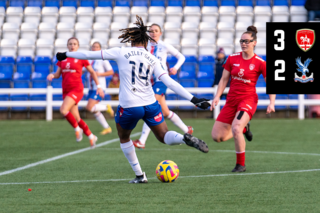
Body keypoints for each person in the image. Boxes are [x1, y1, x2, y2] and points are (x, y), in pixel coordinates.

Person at [56, 16, 211, 183]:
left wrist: (66, 54)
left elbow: (89, 54)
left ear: (131, 40)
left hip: (129, 106)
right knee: (163, 134)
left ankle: (140, 175)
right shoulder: (153, 58)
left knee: (124, 138)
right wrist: (194, 99)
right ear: (146, 42)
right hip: (151, 103)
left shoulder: (120, 52)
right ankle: (184, 138)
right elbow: (169, 82)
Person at [210, 26, 276, 172]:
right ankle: (245, 128)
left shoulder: (260, 62)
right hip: (231, 101)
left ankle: (241, 165)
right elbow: (223, 79)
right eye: (242, 41)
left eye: (247, 41)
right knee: (217, 137)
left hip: (248, 100)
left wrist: (272, 102)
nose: (244, 43)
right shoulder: (232, 58)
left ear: (254, 42)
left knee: (235, 128)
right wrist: (217, 96)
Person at [132, 23, 193, 149]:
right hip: (149, 81)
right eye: (151, 31)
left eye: (156, 30)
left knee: (150, 105)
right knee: (165, 112)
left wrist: (175, 68)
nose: (153, 33)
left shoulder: (164, 45)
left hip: (161, 80)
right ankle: (186, 129)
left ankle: (142, 141)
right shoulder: (145, 46)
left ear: (160, 33)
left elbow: (181, 57)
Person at [47, 37, 104, 148]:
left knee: (63, 110)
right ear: (67, 46)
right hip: (66, 90)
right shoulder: (62, 59)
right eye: (70, 44)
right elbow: (58, 74)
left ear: (78, 46)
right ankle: (91, 136)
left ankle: (77, 129)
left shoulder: (81, 57)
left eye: (74, 44)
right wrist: (52, 75)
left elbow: (92, 72)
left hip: (76, 89)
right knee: (77, 118)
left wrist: (99, 86)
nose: (72, 46)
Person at [85, 41, 114, 135]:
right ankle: (107, 127)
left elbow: (111, 72)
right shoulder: (88, 59)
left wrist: (100, 74)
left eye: (97, 47)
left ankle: (106, 107)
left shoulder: (103, 60)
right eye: (93, 47)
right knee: (94, 110)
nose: (95, 48)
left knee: (89, 107)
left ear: (100, 49)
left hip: (99, 87)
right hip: (90, 87)